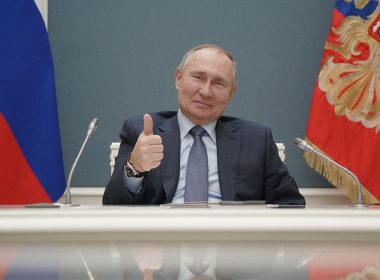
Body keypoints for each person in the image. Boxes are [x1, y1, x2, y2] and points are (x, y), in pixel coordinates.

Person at [103, 44, 305, 206]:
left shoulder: (256, 140)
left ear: (232, 92)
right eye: (198, 77)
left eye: (219, 83)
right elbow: (112, 205)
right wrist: (134, 168)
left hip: (232, 247)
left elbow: (292, 204)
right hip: (160, 247)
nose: (206, 91)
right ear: (178, 78)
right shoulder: (141, 131)